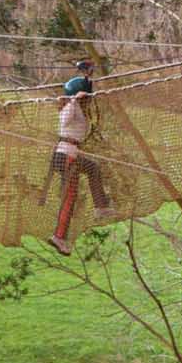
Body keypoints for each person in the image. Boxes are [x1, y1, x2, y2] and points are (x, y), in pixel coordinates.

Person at [48, 60, 112, 256]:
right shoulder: (70, 107)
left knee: (90, 172)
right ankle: (60, 236)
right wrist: (75, 99)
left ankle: (99, 208)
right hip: (65, 157)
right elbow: (64, 119)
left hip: (70, 156)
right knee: (71, 196)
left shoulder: (80, 112)